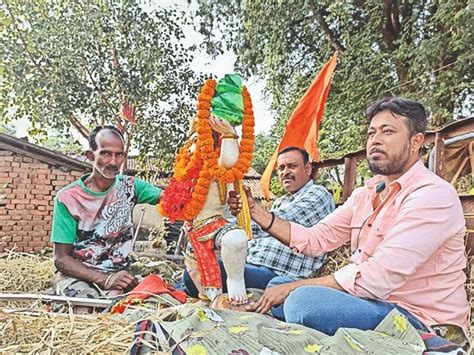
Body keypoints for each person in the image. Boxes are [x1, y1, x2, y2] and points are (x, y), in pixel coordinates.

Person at [228, 97, 469, 335]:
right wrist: (255, 211)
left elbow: (377, 279)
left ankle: (437, 348)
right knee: (278, 286)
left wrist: (296, 287)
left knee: (302, 301)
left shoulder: (432, 195)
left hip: (418, 318)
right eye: (371, 133)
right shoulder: (367, 193)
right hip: (372, 301)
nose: (375, 140)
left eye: (387, 132)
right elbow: (315, 239)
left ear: (416, 142)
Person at [182, 146, 335, 297]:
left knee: (201, 273)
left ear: (307, 169)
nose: (285, 172)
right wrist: (215, 225)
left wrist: (219, 224)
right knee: (196, 266)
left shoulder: (318, 194)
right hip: (251, 265)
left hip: (280, 275)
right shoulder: (280, 201)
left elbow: (281, 220)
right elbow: (251, 231)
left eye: (292, 166)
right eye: (281, 168)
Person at [51, 126, 162, 306]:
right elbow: (61, 259)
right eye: (105, 154)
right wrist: (105, 279)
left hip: (119, 275)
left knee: (140, 307)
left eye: (119, 155)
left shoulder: (131, 187)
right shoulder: (68, 198)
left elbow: (173, 198)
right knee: (84, 309)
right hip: (77, 275)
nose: (113, 161)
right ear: (90, 155)